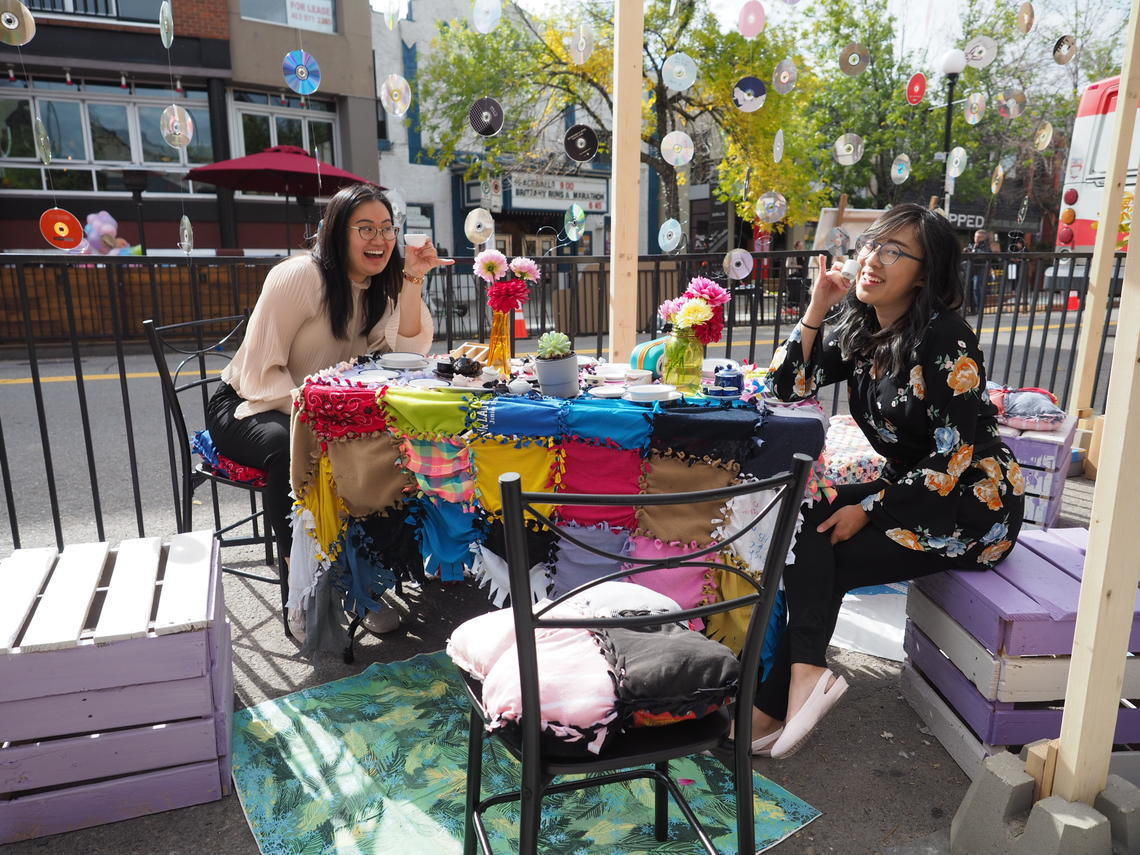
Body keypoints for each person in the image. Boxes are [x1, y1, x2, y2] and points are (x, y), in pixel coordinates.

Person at [752, 204, 1024, 759]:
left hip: (971, 504)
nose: (873, 259)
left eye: (894, 252)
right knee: (800, 518)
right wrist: (816, 306)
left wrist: (869, 509)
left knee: (831, 556)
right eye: (872, 244)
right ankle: (803, 678)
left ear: (924, 274)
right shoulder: (860, 322)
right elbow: (787, 385)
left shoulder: (945, 338)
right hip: (907, 488)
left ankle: (774, 703)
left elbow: (954, 457)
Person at [205, 183, 453, 631]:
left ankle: (363, 581)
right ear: (337, 232)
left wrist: (413, 277)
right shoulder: (299, 276)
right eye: (365, 229)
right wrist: (321, 417)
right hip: (252, 403)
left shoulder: (378, 284)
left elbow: (410, 347)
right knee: (290, 451)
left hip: (319, 409)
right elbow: (260, 370)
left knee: (381, 442)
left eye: (386, 229)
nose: (379, 239)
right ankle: (304, 589)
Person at [963, 228, 990, 313]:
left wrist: (972, 251)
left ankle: (979, 308)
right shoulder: (971, 245)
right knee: (969, 289)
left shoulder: (985, 247)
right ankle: (972, 309)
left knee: (977, 288)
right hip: (970, 270)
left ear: (983, 238)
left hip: (980, 270)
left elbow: (983, 255)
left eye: (979, 237)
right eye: (975, 236)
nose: (976, 238)